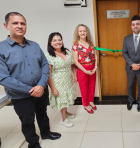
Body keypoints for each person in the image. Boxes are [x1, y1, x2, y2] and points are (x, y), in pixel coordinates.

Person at [0, 12, 61, 148]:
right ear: (6, 26)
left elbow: (45, 66)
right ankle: (33, 143)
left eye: (22, 23)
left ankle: (46, 133)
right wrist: (31, 89)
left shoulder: (34, 45)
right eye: (15, 23)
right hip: (21, 95)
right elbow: (3, 77)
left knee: (42, 113)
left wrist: (40, 85)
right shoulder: (1, 49)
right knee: (27, 120)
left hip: (41, 90)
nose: (19, 26)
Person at [45, 32, 77, 128]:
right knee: (62, 100)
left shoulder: (67, 52)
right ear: (50, 43)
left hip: (67, 80)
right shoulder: (49, 55)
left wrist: (74, 75)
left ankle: (66, 113)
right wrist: (53, 88)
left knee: (66, 97)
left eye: (59, 39)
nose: (58, 42)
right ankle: (63, 119)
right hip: (57, 81)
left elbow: (72, 64)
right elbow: (48, 73)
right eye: (54, 40)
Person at [122, 15, 140, 112]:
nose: (135, 26)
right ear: (131, 26)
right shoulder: (126, 39)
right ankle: (130, 100)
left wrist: (139, 64)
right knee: (130, 86)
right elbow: (124, 52)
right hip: (130, 68)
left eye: (137, 24)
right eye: (133, 24)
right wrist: (132, 64)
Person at [72, 24, 97, 114]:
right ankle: (86, 104)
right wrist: (85, 70)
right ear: (78, 33)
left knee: (92, 86)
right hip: (82, 70)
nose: (83, 33)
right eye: (80, 31)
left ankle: (91, 101)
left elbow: (95, 55)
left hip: (92, 68)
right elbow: (75, 61)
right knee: (84, 88)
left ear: (87, 32)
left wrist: (95, 67)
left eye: (84, 31)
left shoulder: (90, 43)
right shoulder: (75, 45)